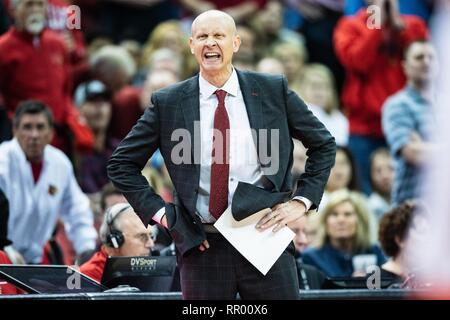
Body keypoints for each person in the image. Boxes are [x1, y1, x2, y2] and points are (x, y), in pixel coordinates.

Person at [108, 10, 336, 300]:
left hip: (263, 235)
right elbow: (121, 164)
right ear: (191, 45)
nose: (210, 43)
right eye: (202, 36)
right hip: (201, 243)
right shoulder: (169, 102)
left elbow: (324, 144)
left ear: (236, 43)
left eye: (219, 35)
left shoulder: (271, 90)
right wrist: (165, 216)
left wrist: (301, 201)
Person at [334, 0, 428, 194]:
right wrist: (378, 23)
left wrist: (396, 23)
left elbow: (422, 59)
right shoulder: (350, 25)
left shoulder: (414, 25)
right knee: (363, 193)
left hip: (406, 124)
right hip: (365, 128)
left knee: (413, 192)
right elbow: (358, 61)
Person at [0, 100, 97, 264]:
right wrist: (4, 248)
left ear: (51, 132)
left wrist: (87, 249)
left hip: (37, 261)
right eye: (27, 127)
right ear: (15, 130)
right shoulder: (2, 160)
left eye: (40, 127)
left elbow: (77, 209)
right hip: (2, 256)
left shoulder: (60, 163)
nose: (34, 135)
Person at [0, 0, 93, 154]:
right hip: (21, 140)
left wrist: (74, 122)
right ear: (13, 10)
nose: (35, 10)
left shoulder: (57, 44)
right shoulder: (4, 49)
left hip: (58, 138)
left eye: (40, 5)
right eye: (29, 4)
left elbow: (65, 91)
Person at [382, 40, 437, 205]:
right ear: (405, 66)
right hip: (411, 208)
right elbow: (413, 153)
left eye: (431, 57)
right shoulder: (397, 105)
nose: (426, 62)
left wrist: (428, 149)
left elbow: (422, 152)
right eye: (419, 57)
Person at [302, 190, 386, 278]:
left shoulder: (373, 251)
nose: (341, 220)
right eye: (334, 214)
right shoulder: (312, 257)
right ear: (325, 221)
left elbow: (385, 287)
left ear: (360, 221)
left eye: (347, 214)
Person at [80, 202, 155, 283]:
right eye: (142, 236)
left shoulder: (153, 269)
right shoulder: (85, 278)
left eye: (151, 236)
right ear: (115, 241)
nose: (151, 244)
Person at [368, 147, 394, 221]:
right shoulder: (369, 208)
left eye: (391, 169)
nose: (385, 176)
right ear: (371, 175)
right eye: (378, 171)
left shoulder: (406, 204)